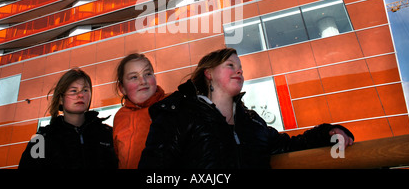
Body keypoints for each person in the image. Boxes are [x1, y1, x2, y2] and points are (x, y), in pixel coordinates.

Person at [139, 48, 354, 169]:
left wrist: (327, 132)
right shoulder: (178, 114)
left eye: (240, 68)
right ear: (209, 73)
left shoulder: (252, 122)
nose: (239, 71)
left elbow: (288, 147)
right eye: (230, 66)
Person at [18, 68, 118, 169]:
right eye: (74, 91)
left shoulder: (107, 134)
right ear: (61, 99)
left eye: (85, 90)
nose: (80, 95)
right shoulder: (42, 139)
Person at [112, 53, 166, 169]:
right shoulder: (120, 117)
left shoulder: (171, 105)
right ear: (122, 88)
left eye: (147, 74)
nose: (143, 81)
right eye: (134, 77)